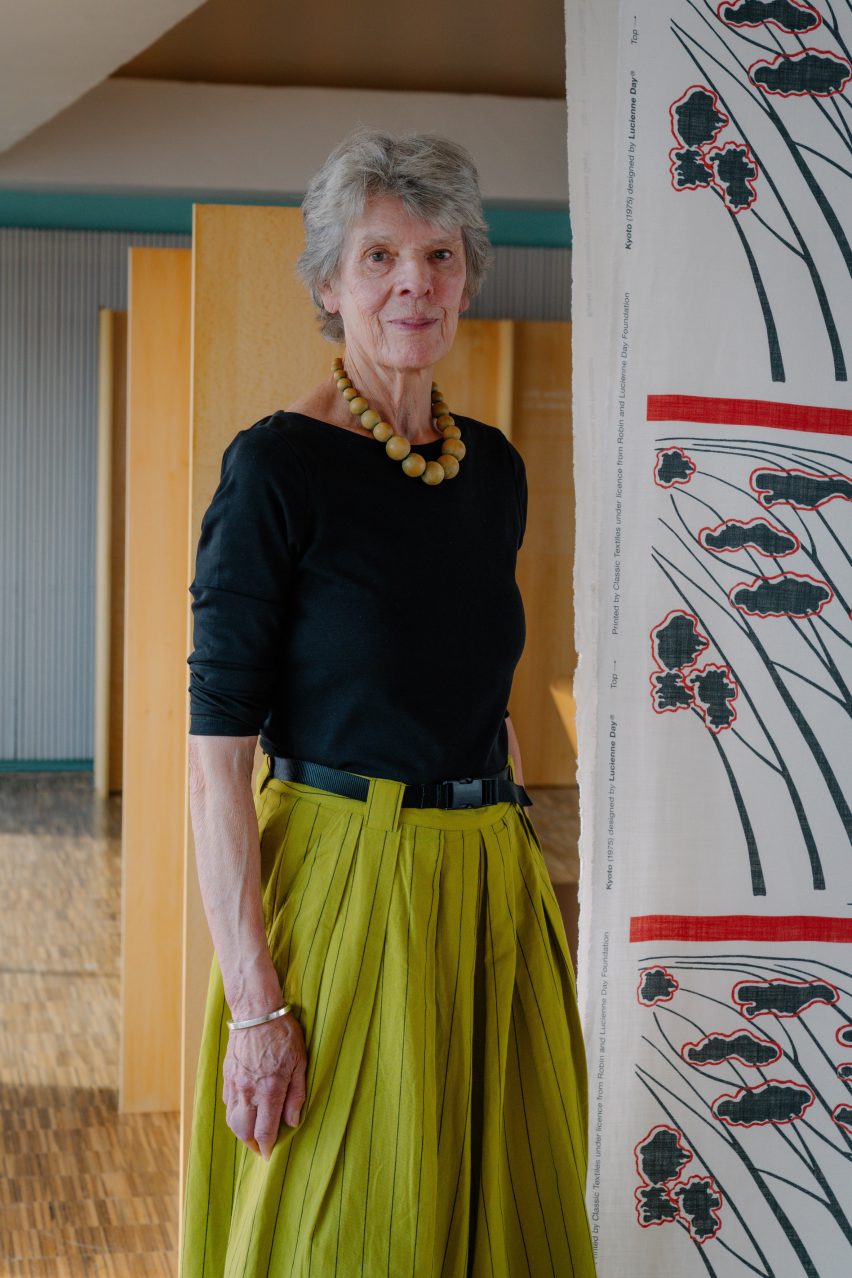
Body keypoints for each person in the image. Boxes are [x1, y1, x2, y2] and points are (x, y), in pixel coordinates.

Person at [181, 130, 595, 1277]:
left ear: (466, 277)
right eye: (378, 257)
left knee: (501, 1224)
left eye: (440, 254)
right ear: (330, 284)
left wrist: (522, 860)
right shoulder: (276, 470)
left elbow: (474, 687)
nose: (414, 280)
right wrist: (257, 1009)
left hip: (489, 889)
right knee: (351, 1234)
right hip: (349, 885)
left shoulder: (494, 471)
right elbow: (216, 768)